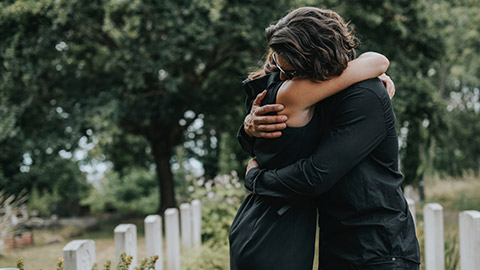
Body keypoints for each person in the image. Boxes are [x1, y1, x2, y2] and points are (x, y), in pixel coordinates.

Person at [238, 7, 421, 270]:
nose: (281, 78)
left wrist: (256, 179)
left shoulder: (365, 95)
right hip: (337, 246)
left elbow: (315, 176)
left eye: (289, 72)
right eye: (279, 67)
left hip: (379, 250)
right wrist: (248, 127)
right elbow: (278, 143)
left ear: (314, 60)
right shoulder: (319, 95)